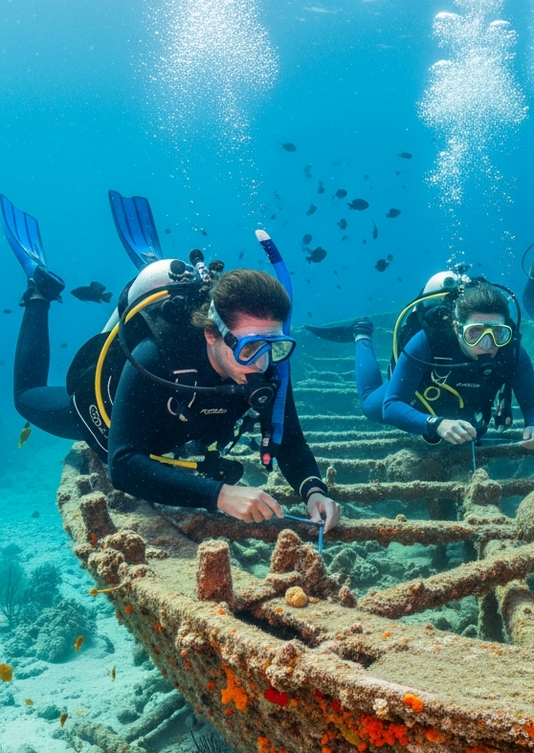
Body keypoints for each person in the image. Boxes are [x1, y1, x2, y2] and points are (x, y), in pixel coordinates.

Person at [4, 196, 337, 527]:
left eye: (275, 346)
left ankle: (157, 275)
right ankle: (39, 293)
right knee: (25, 398)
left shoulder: (270, 363)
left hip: (179, 437)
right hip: (104, 414)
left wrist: (314, 491)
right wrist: (220, 495)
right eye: (249, 348)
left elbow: (290, 439)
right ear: (212, 334)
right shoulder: (160, 355)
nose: (262, 364)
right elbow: (123, 464)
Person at [307, 274, 534, 448]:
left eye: (497, 333)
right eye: (475, 333)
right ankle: (361, 333)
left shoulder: (512, 350)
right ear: (457, 327)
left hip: (461, 404)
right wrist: (437, 424)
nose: (487, 344)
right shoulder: (428, 340)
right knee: (371, 406)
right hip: (419, 388)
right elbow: (391, 406)